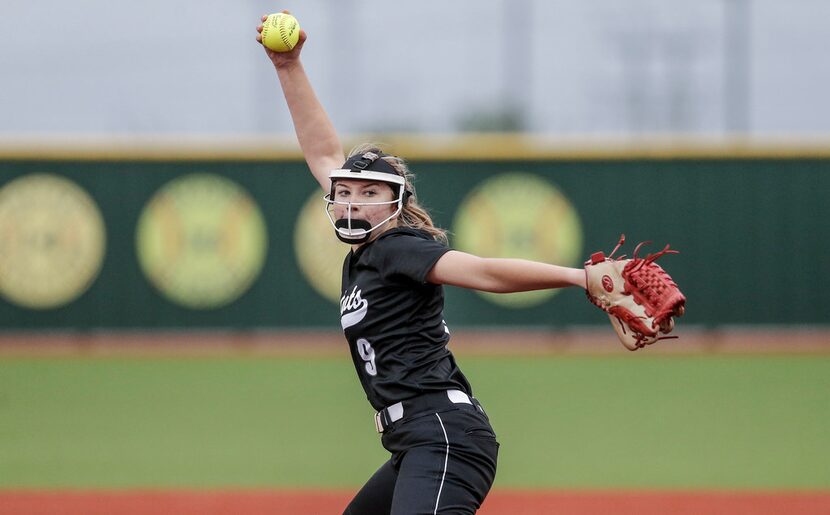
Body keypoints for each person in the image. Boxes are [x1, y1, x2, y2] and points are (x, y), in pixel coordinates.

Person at [257, 14, 587, 515]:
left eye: (369, 193)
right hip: (416, 442)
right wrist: (289, 67)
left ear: (394, 203)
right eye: (344, 191)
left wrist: (578, 276)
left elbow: (484, 272)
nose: (351, 201)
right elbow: (324, 152)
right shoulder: (366, 255)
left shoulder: (398, 247)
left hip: (445, 438)